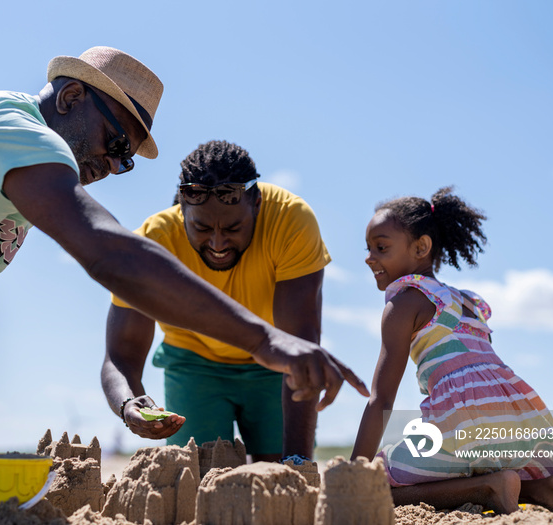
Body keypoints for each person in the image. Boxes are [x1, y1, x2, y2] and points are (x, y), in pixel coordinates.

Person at [0, 47, 362, 512]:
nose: (112, 166)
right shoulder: (10, 129)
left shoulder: (8, 203)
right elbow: (109, 253)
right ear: (70, 98)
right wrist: (264, 338)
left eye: (124, 160)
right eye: (115, 144)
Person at [102, 140, 367, 461]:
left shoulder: (290, 220)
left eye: (233, 227)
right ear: (180, 211)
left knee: (281, 475)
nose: (217, 242)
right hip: (193, 363)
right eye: (200, 227)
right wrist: (128, 403)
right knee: (200, 477)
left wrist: (297, 464)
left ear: (256, 204)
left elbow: (298, 349)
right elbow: (121, 356)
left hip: (273, 364)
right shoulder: (153, 241)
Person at [350, 187, 553, 519]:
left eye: (381, 247)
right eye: (368, 248)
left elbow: (381, 399)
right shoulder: (467, 302)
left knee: (376, 482)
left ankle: (489, 488)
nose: (370, 257)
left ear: (421, 247)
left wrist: (353, 475)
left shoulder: (403, 301)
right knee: (466, 460)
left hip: (464, 423)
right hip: (519, 418)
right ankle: (544, 489)